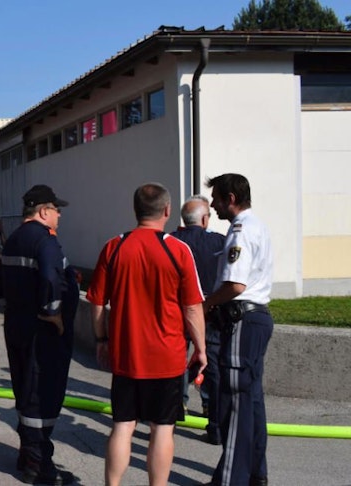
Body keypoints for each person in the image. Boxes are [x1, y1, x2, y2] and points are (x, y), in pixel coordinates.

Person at [86, 183, 207, 486]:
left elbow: (97, 301)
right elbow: (192, 308)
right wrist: (201, 350)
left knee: (123, 425)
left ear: (135, 210)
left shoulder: (114, 247)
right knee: (162, 428)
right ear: (167, 211)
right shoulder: (178, 250)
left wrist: (101, 340)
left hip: (127, 354)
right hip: (166, 357)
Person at [0, 184, 79, 485]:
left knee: (24, 386)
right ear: (44, 211)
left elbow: (2, 285)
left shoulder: (14, 238)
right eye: (57, 210)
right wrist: (53, 312)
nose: (59, 216)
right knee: (42, 392)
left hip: (16, 325)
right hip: (41, 331)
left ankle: (27, 453)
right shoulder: (44, 240)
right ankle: (40, 466)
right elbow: (49, 277)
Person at [202, 174, 274, 486]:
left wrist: (207, 303)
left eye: (217, 198)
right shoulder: (257, 226)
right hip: (256, 320)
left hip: (241, 321)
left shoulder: (240, 232)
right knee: (252, 401)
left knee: (236, 405)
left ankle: (232, 480)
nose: (214, 205)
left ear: (231, 198)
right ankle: (256, 473)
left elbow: (235, 284)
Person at [170, 194, 226, 446]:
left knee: (177, 359)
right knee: (211, 364)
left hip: (177, 311)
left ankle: (175, 406)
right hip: (210, 311)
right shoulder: (219, 242)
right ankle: (210, 414)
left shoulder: (171, 241)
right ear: (204, 219)